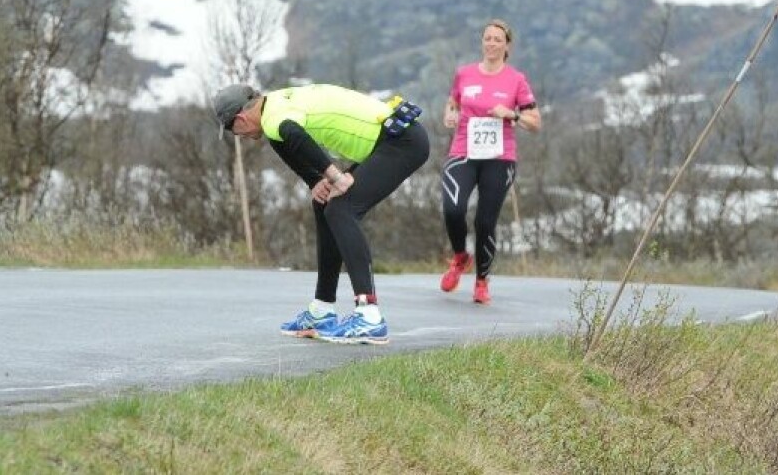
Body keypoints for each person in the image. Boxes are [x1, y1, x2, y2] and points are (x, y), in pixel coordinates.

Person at [212, 83, 429, 345]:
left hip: (401, 142)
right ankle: (323, 310)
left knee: (341, 209)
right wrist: (316, 182)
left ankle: (369, 315)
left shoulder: (275, 118)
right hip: (394, 138)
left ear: (241, 118)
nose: (237, 135)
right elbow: (286, 143)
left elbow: (293, 135)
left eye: (231, 129)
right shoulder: (276, 106)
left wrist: (335, 176)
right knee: (326, 203)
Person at [440, 19, 541, 304]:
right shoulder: (465, 74)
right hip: (464, 152)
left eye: (498, 39)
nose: (492, 44)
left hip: (499, 158)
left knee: (485, 222)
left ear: (507, 45)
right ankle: (460, 257)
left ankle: (482, 281)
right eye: (488, 38)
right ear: (482, 42)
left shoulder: (516, 80)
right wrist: (450, 114)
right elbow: (453, 103)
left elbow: (535, 122)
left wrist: (512, 115)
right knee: (453, 209)